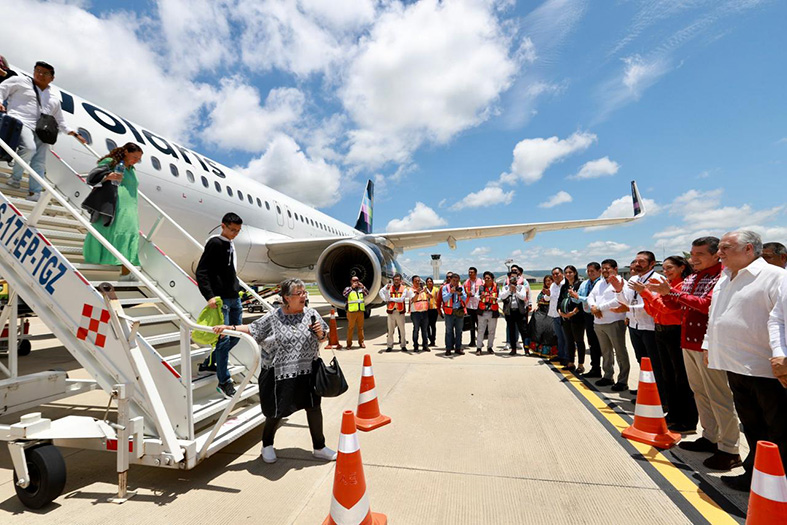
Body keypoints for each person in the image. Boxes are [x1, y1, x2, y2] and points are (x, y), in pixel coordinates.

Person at [213, 278, 336, 464]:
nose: (303, 296)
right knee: (276, 411)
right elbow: (253, 328)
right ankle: (267, 445)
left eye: (304, 292)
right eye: (299, 293)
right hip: (278, 374)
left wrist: (320, 333)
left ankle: (319, 447)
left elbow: (324, 337)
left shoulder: (311, 314)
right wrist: (229, 328)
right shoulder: (273, 317)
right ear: (286, 297)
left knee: (313, 408)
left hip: (307, 372)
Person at [648, 237, 740, 470]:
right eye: (692, 254)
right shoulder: (693, 277)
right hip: (688, 342)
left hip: (708, 344)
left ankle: (729, 448)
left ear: (715, 255)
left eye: (699, 254)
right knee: (700, 392)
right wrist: (665, 294)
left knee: (718, 396)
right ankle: (710, 437)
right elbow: (677, 306)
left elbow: (707, 305)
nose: (693, 259)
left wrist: (673, 294)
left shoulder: (721, 277)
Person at [704, 231, 786, 488]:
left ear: (749, 249)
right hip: (735, 366)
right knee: (753, 427)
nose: (720, 253)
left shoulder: (776, 277)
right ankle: (757, 475)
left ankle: (779, 483)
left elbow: (781, 320)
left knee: (779, 430)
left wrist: (783, 356)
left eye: (725, 248)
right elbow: (715, 315)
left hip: (766, 370)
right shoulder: (725, 278)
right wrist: (709, 345)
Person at [0, 61, 86, 200]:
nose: (40, 74)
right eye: (38, 71)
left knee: (39, 162)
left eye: (45, 73)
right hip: (20, 122)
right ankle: (15, 178)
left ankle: (34, 192)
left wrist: (75, 134)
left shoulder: (54, 99)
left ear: (52, 78)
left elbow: (61, 122)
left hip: (41, 130)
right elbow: (2, 89)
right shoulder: (20, 81)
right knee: (29, 148)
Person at [635, 256, 698, 433]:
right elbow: (653, 309)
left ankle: (687, 420)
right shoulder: (666, 287)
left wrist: (647, 294)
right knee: (667, 375)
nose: (666, 272)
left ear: (681, 268)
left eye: (670, 268)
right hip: (661, 330)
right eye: (664, 268)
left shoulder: (681, 286)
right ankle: (674, 414)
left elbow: (667, 308)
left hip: (674, 331)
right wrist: (647, 295)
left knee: (681, 377)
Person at [194, 212, 244, 397]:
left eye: (238, 231)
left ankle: (210, 363)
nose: (234, 234)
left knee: (237, 337)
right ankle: (224, 381)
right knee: (223, 341)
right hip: (221, 300)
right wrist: (209, 296)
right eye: (232, 230)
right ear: (222, 226)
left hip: (235, 298)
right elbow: (202, 271)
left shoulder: (230, 244)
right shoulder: (215, 243)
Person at [83, 143, 143, 280]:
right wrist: (108, 176)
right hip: (115, 204)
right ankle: (121, 271)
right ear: (126, 152)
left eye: (138, 159)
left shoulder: (132, 169)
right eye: (134, 157)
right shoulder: (111, 162)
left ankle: (126, 272)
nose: (136, 161)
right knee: (111, 230)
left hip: (131, 207)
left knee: (130, 233)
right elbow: (92, 177)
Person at [614, 251, 665, 399]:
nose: (637, 265)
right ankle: (646, 388)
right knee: (641, 361)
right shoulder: (633, 279)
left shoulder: (657, 280)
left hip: (650, 327)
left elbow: (654, 305)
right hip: (635, 326)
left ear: (652, 264)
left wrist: (629, 309)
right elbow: (625, 300)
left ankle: (659, 395)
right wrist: (618, 290)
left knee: (655, 363)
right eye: (636, 261)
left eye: (642, 262)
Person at [587, 259, 630, 391]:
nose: (605, 271)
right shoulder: (599, 283)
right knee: (606, 352)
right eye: (603, 268)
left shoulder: (622, 283)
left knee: (620, 351)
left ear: (615, 269)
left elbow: (618, 300)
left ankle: (622, 381)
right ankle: (608, 376)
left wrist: (598, 307)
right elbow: (590, 296)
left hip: (614, 321)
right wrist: (593, 307)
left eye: (607, 268)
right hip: (599, 322)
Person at [569, 262, 602, 377]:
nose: (590, 273)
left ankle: (606, 371)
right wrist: (574, 296)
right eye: (588, 271)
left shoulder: (601, 283)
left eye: (592, 271)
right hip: (588, 315)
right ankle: (595, 368)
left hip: (599, 314)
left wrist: (579, 297)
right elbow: (578, 299)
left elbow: (592, 298)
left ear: (599, 271)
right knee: (592, 343)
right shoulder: (585, 284)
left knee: (601, 344)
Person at [558, 265, 585, 372]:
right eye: (566, 272)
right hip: (565, 318)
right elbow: (559, 301)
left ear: (575, 273)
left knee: (579, 341)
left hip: (577, 317)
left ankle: (581, 364)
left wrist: (572, 313)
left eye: (570, 272)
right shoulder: (564, 287)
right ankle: (570, 362)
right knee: (569, 341)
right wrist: (561, 313)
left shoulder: (579, 285)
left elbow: (581, 302)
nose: (568, 274)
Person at [500, 270, 529, 356]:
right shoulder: (505, 287)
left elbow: (523, 297)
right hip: (510, 312)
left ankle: (526, 349)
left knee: (524, 331)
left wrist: (516, 291)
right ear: (509, 278)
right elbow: (502, 296)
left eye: (515, 277)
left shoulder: (521, 287)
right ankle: (513, 349)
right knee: (511, 331)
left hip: (519, 312)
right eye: (512, 277)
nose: (514, 279)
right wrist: (509, 290)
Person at [379, 273, 411, 352]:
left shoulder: (404, 288)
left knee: (402, 330)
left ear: (400, 280)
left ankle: (403, 345)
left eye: (398, 280)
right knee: (390, 330)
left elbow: (401, 299)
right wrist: (385, 299)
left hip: (400, 312)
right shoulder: (388, 287)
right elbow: (380, 292)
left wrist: (390, 299)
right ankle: (389, 346)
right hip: (391, 312)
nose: (396, 281)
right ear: (393, 280)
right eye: (395, 280)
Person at [529, 276, 557, 357]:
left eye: (550, 280)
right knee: (538, 326)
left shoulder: (555, 290)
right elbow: (539, 301)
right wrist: (537, 307)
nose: (548, 282)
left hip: (552, 311)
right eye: (546, 281)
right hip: (542, 311)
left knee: (550, 329)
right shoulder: (542, 291)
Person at [442, 272, 467, 355]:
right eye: (454, 280)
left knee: (459, 331)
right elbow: (445, 299)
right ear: (450, 280)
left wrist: (461, 294)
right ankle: (448, 348)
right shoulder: (445, 288)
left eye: (457, 281)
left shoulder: (461, 287)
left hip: (458, 311)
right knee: (449, 331)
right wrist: (451, 293)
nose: (455, 282)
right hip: (449, 312)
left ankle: (458, 348)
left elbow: (465, 298)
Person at [475, 271, 499, 355]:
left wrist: (495, 298)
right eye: (485, 278)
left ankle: (490, 347)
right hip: (482, 311)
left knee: (491, 331)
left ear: (492, 279)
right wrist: (480, 297)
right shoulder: (481, 287)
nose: (486, 280)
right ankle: (478, 348)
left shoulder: (497, 287)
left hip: (493, 312)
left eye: (488, 278)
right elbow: (476, 296)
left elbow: (500, 297)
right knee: (481, 330)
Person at [546, 267, 566, 363]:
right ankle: (561, 355)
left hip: (563, 314)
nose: (555, 276)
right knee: (559, 337)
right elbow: (547, 299)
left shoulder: (565, 284)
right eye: (553, 274)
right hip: (554, 314)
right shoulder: (553, 285)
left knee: (566, 337)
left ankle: (567, 357)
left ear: (562, 274)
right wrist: (547, 294)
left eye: (557, 274)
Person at [342, 276, 368, 349]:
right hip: (352, 312)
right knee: (351, 328)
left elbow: (367, 293)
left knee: (360, 328)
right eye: (354, 280)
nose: (356, 282)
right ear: (351, 281)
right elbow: (344, 294)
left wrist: (363, 287)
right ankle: (349, 344)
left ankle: (361, 342)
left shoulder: (360, 289)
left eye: (357, 280)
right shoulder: (348, 289)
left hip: (360, 311)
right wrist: (351, 288)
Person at [410, 275, 431, 352]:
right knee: (416, 330)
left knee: (424, 330)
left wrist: (426, 292)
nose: (418, 282)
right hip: (416, 313)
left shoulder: (424, 290)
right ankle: (415, 346)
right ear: (413, 282)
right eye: (416, 281)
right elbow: (414, 300)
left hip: (424, 312)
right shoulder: (411, 290)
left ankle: (425, 345)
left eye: (419, 281)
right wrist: (417, 292)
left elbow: (430, 297)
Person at [464, 267, 484, 348]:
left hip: (478, 305)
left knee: (480, 325)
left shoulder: (481, 282)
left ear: (475, 273)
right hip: (470, 305)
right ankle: (472, 341)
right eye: (469, 272)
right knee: (471, 325)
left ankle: (480, 341)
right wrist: (466, 294)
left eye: (471, 272)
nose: (470, 274)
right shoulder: (466, 282)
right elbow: (463, 292)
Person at [425, 277, 439, 346]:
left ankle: (433, 340)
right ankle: (429, 338)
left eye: (430, 281)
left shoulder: (436, 289)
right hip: (426, 309)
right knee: (427, 325)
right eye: (428, 281)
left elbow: (438, 299)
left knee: (433, 325)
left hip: (434, 309)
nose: (429, 282)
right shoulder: (424, 289)